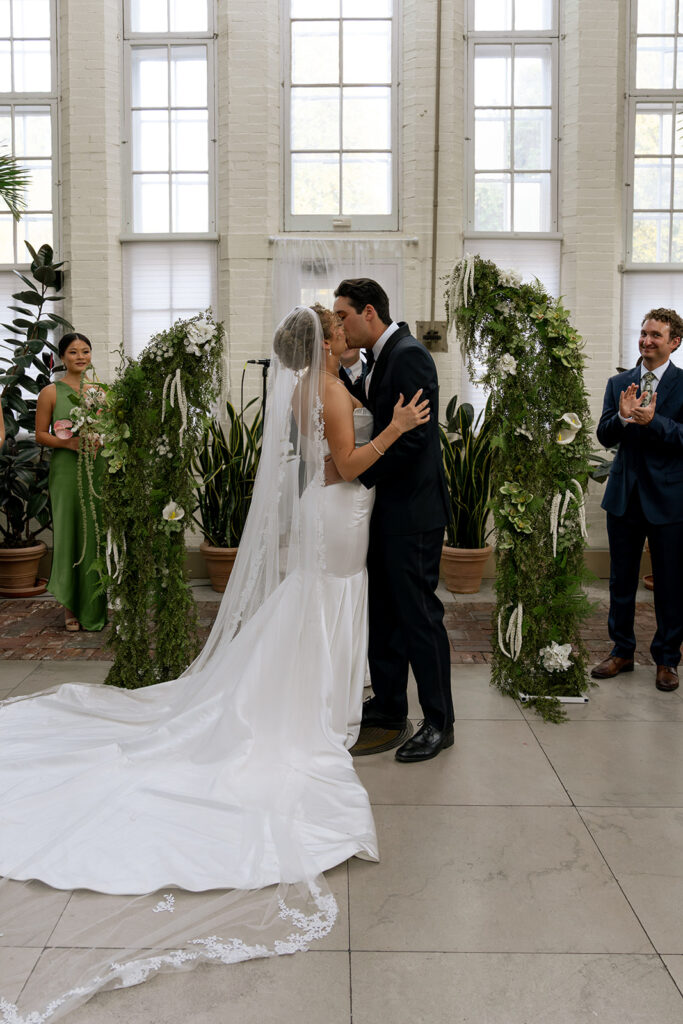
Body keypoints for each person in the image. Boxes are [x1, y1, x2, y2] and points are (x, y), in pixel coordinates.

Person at [0, 306, 428, 1021]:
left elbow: (325, 454)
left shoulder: (307, 385)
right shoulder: (324, 387)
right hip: (343, 508)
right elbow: (349, 462)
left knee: (318, 601)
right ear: (322, 342)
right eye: (335, 329)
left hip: (334, 512)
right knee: (328, 598)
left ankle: (313, 691)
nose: (345, 334)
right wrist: (394, 428)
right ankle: (317, 703)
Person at [332, 278, 454, 762]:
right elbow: (375, 406)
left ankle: (439, 722)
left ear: (368, 311)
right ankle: (386, 706)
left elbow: (414, 440)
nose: (339, 324)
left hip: (413, 512)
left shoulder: (408, 355)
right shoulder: (384, 357)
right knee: (384, 615)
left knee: (419, 617)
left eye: (342, 315)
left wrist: (353, 470)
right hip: (387, 511)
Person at [593, 308, 683, 692]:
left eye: (656, 336)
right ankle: (622, 651)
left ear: (674, 342)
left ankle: (666, 660)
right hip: (625, 498)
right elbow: (603, 435)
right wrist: (624, 419)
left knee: (671, 584)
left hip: (669, 500)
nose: (646, 341)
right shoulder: (619, 383)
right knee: (621, 581)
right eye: (644, 333)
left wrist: (653, 422)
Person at [35, 332, 107, 631]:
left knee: (95, 533)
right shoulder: (51, 392)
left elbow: (110, 428)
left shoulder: (101, 392)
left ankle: (95, 603)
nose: (81, 357)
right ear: (62, 357)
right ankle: (68, 607)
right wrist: (69, 444)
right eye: (74, 352)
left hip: (97, 470)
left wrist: (101, 439)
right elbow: (41, 435)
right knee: (68, 534)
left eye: (86, 351)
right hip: (65, 471)